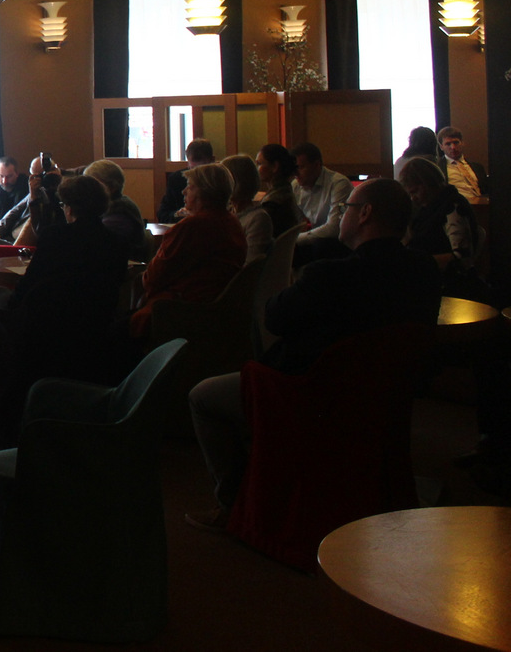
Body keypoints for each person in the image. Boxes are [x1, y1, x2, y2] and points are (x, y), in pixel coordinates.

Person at [186, 179, 442, 529]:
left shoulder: (331, 276)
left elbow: (274, 319)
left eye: (345, 208)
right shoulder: (424, 271)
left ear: (365, 214)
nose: (341, 215)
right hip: (386, 398)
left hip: (311, 399)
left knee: (202, 397)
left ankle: (236, 506)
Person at [0, 175, 130, 447]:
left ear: (69, 206)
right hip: (92, 329)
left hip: (41, 331)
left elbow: (27, 289)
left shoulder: (54, 237)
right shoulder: (116, 244)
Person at [129, 162, 246, 338]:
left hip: (182, 311)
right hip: (216, 309)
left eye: (190, 187)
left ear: (205, 192)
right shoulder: (231, 222)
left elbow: (153, 278)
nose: (184, 192)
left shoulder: (193, 227)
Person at [398, 156, 480, 280]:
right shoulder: (429, 207)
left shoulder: (453, 206)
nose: (413, 198)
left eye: (415, 192)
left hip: (447, 281)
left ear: (428, 183)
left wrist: (415, 263)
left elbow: (462, 257)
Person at [291, 141, 352, 262]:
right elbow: (297, 223)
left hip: (342, 241)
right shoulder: (295, 186)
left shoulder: (339, 184)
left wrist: (295, 240)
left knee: (321, 247)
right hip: (318, 239)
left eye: (300, 167)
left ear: (317, 165)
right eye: (294, 169)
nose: (295, 174)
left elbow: (334, 228)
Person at [84, 158, 148, 260]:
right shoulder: (111, 206)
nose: (88, 190)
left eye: (94, 185)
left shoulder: (119, 214)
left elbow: (97, 243)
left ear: (111, 187)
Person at [221, 153, 273, 261]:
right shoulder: (229, 211)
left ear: (236, 182)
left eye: (222, 179)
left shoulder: (258, 219)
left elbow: (251, 263)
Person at [157, 139, 215, 223]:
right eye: (193, 169)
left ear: (212, 160)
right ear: (188, 163)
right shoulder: (177, 179)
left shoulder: (219, 180)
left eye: (202, 169)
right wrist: (177, 215)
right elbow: (163, 214)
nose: (198, 175)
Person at [254, 143, 302, 237]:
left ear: (275, 166)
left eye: (259, 164)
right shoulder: (284, 191)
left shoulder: (274, 203)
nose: (257, 169)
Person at [438, 125, 489, 200]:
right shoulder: (438, 167)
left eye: (456, 142)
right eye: (448, 144)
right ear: (441, 147)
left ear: (462, 143)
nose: (453, 147)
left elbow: (486, 190)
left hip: (480, 205)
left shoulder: (477, 167)